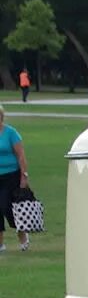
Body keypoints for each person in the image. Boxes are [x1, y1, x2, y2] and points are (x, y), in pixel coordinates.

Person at [0, 104, 30, 252]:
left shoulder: (10, 133)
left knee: (8, 208)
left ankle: (22, 235)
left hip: (11, 175)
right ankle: (0, 244)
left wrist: (24, 175)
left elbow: (21, 155)